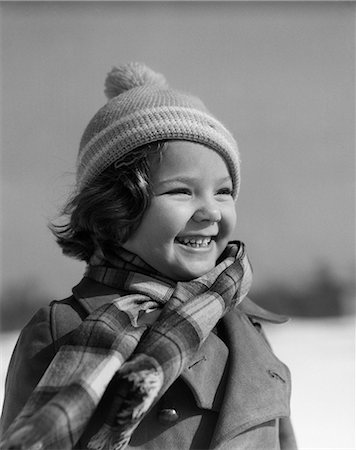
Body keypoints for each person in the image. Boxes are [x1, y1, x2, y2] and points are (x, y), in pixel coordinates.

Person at [0, 62, 297, 450]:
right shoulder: (67, 329)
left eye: (223, 191)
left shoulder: (245, 328)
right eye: (181, 191)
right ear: (118, 207)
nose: (210, 211)